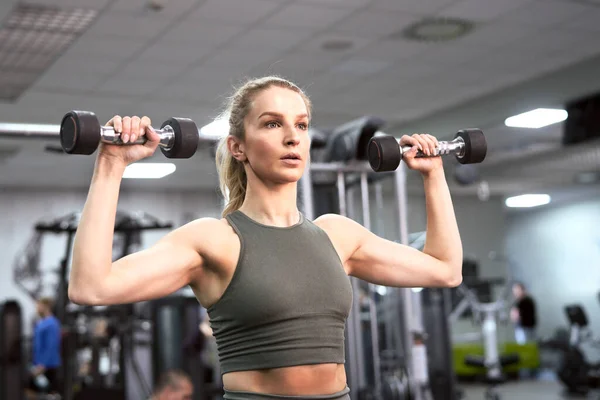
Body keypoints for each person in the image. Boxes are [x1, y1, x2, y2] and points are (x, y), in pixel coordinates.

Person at [68, 76, 464, 400]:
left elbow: (445, 271)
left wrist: (434, 176)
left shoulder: (338, 235)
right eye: (273, 123)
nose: (293, 137)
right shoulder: (215, 240)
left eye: (302, 125)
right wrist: (111, 164)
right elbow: (91, 287)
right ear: (237, 146)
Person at [26, 297, 62, 398]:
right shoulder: (41, 323)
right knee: (32, 390)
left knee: (50, 393)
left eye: (39, 306)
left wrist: (43, 365)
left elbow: (52, 345)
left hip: (47, 365)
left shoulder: (52, 323)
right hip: (38, 363)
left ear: (46, 307)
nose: (37, 308)